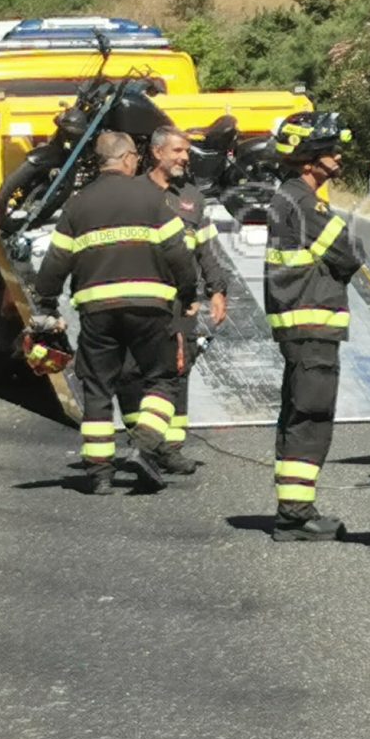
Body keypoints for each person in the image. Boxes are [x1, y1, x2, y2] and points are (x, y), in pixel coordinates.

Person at [29, 130, 197, 494]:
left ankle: (100, 473)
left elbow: (56, 260)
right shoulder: (151, 197)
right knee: (162, 379)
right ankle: (145, 445)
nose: (137, 161)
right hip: (150, 308)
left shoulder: (78, 204)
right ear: (125, 159)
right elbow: (177, 252)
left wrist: (45, 303)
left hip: (97, 311)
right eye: (135, 156)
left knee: (98, 388)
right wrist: (188, 291)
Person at [263, 111, 362, 540]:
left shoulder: (288, 197)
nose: (338, 156)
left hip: (300, 327)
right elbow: (348, 255)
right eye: (329, 150)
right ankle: (296, 514)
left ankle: (293, 508)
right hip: (312, 326)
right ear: (309, 160)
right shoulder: (307, 204)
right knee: (312, 416)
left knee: (298, 413)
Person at [144, 126, 237, 476]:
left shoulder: (192, 198)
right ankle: (145, 443)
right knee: (145, 372)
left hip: (182, 302)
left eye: (186, 152)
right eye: (178, 151)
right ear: (157, 153)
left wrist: (217, 290)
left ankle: (171, 447)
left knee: (181, 369)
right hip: (146, 298)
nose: (185, 158)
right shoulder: (139, 193)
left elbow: (206, 250)